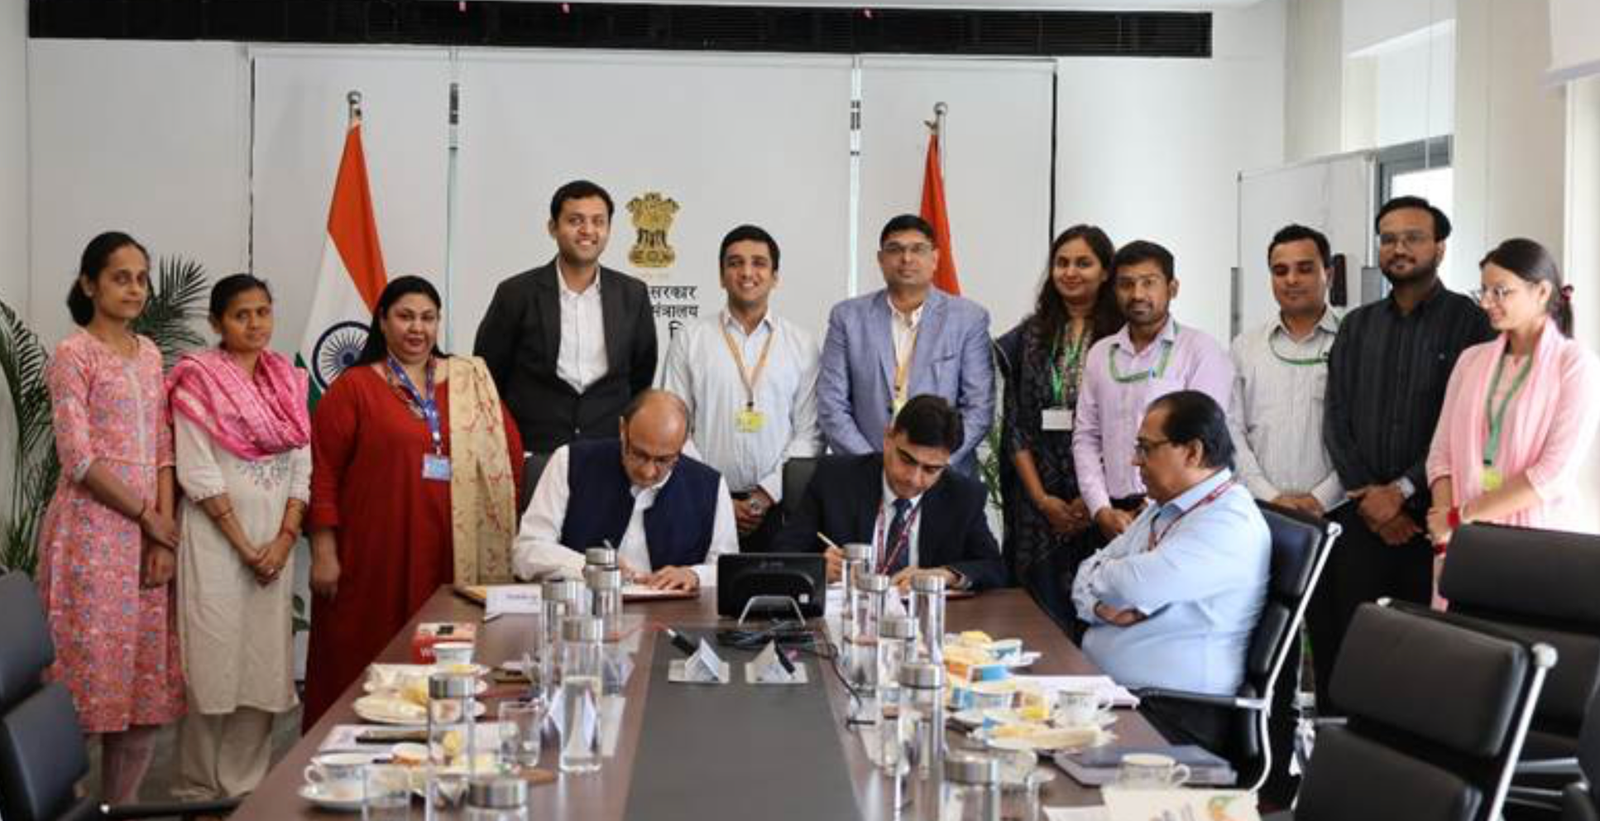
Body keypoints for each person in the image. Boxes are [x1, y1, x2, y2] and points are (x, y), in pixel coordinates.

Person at [304, 276, 523, 727]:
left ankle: (446, 740)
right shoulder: (355, 387)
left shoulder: (467, 382)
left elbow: (507, 453)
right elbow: (322, 472)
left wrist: (496, 529)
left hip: (453, 556)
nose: (417, 328)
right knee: (362, 660)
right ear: (383, 321)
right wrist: (324, 551)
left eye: (427, 318)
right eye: (405, 316)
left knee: (445, 659)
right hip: (374, 558)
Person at [1313, 195, 1494, 711]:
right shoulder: (1357, 325)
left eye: (1413, 237)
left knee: (1422, 662)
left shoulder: (1472, 324)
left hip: (1431, 523)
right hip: (1360, 521)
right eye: (1389, 239)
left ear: (1440, 247)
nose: (1399, 248)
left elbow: (1463, 425)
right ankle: (1338, 752)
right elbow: (1336, 417)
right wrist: (1370, 495)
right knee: (1349, 652)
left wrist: (1402, 490)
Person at [34, 231, 184, 803]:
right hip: (90, 539)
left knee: (143, 694)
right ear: (89, 284)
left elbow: (164, 449)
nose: (135, 288)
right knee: (84, 685)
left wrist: (162, 534)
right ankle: (64, 808)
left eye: (142, 278)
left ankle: (122, 809)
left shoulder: (150, 355)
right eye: (121, 277)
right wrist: (147, 515)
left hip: (147, 539)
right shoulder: (73, 354)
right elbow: (78, 458)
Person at [167, 274, 310, 802]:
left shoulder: (288, 380)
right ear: (217, 322)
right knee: (211, 666)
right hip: (215, 545)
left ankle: (245, 792)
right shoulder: (197, 379)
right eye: (241, 315)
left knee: (261, 669)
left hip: (274, 548)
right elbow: (197, 471)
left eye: (262, 312)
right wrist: (247, 548)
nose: (254, 324)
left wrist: (284, 540)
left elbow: (302, 467)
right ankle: (199, 792)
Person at [1072, 390, 1269, 753]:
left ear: (1192, 452)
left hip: (1175, 714)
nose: (1135, 460)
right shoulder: (1165, 507)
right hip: (1124, 698)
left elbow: (1132, 587)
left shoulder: (1228, 521)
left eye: (1146, 448)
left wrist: (1104, 575)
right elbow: (1084, 572)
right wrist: (1097, 604)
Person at [1426, 238, 1600, 555]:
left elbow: (1552, 475)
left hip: (1539, 543)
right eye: (1483, 291)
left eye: (1500, 291)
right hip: (1463, 540)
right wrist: (1444, 533)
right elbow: (1441, 456)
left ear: (1542, 292)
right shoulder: (1471, 360)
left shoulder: (1575, 365)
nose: (1485, 302)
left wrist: (1459, 517)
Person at [662, 225, 822, 553]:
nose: (747, 272)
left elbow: (810, 433)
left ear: (775, 277)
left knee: (776, 586)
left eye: (759, 263)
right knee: (701, 584)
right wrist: (716, 495)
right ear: (721, 276)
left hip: (780, 505)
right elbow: (674, 429)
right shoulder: (690, 339)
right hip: (702, 501)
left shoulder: (801, 344)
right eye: (735, 263)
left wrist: (765, 494)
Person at [473, 179, 658, 453]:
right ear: (553, 227)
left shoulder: (632, 294)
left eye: (598, 221)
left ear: (608, 229)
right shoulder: (516, 293)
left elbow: (641, 376)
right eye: (575, 220)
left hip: (608, 449)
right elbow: (487, 374)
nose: (588, 230)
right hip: (533, 449)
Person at [1071, 240, 1232, 544]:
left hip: (1178, 513)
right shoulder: (1100, 353)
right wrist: (1100, 509)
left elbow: (1204, 443)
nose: (1137, 294)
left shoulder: (1201, 351)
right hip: (1110, 516)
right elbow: (1086, 437)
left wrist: (1149, 513)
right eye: (1126, 284)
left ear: (1172, 288)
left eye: (1149, 283)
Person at [816, 214, 994, 476]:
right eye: (895, 249)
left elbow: (978, 408)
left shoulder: (969, 319)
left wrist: (931, 464)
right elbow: (831, 404)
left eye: (917, 249)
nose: (906, 258)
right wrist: (877, 466)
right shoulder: (847, 317)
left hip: (942, 476)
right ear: (881, 259)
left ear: (935, 258)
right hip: (866, 474)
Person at [1006, 225, 1123, 622]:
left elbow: (1127, 426)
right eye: (1062, 263)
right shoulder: (1030, 335)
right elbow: (1016, 424)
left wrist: (1092, 501)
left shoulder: (1123, 336)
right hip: (1037, 499)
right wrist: (1041, 499)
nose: (1070, 272)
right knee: (1037, 616)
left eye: (1083, 263)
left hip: (1104, 498)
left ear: (1105, 272)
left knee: (1095, 608)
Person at [773, 394, 1007, 592]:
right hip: (848, 617)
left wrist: (947, 575)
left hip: (924, 619)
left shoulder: (963, 496)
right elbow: (780, 556)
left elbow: (994, 569)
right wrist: (818, 566)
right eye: (907, 460)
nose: (913, 478)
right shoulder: (835, 478)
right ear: (888, 439)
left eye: (930, 469)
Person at [512, 389, 738, 591]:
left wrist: (695, 575)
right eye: (639, 454)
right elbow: (526, 552)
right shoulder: (570, 461)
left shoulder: (711, 485)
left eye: (663, 460)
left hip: (674, 617)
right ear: (623, 429)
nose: (648, 472)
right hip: (583, 609)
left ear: (682, 445)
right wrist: (589, 566)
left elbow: (728, 568)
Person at [1228, 224, 1344, 517]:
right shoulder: (1245, 347)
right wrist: (1269, 496)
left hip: (1338, 510)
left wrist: (1321, 498)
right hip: (1258, 509)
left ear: (1328, 275)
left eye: (1305, 269)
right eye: (1280, 271)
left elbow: (1364, 437)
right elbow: (1232, 430)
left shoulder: (1353, 342)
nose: (1291, 280)